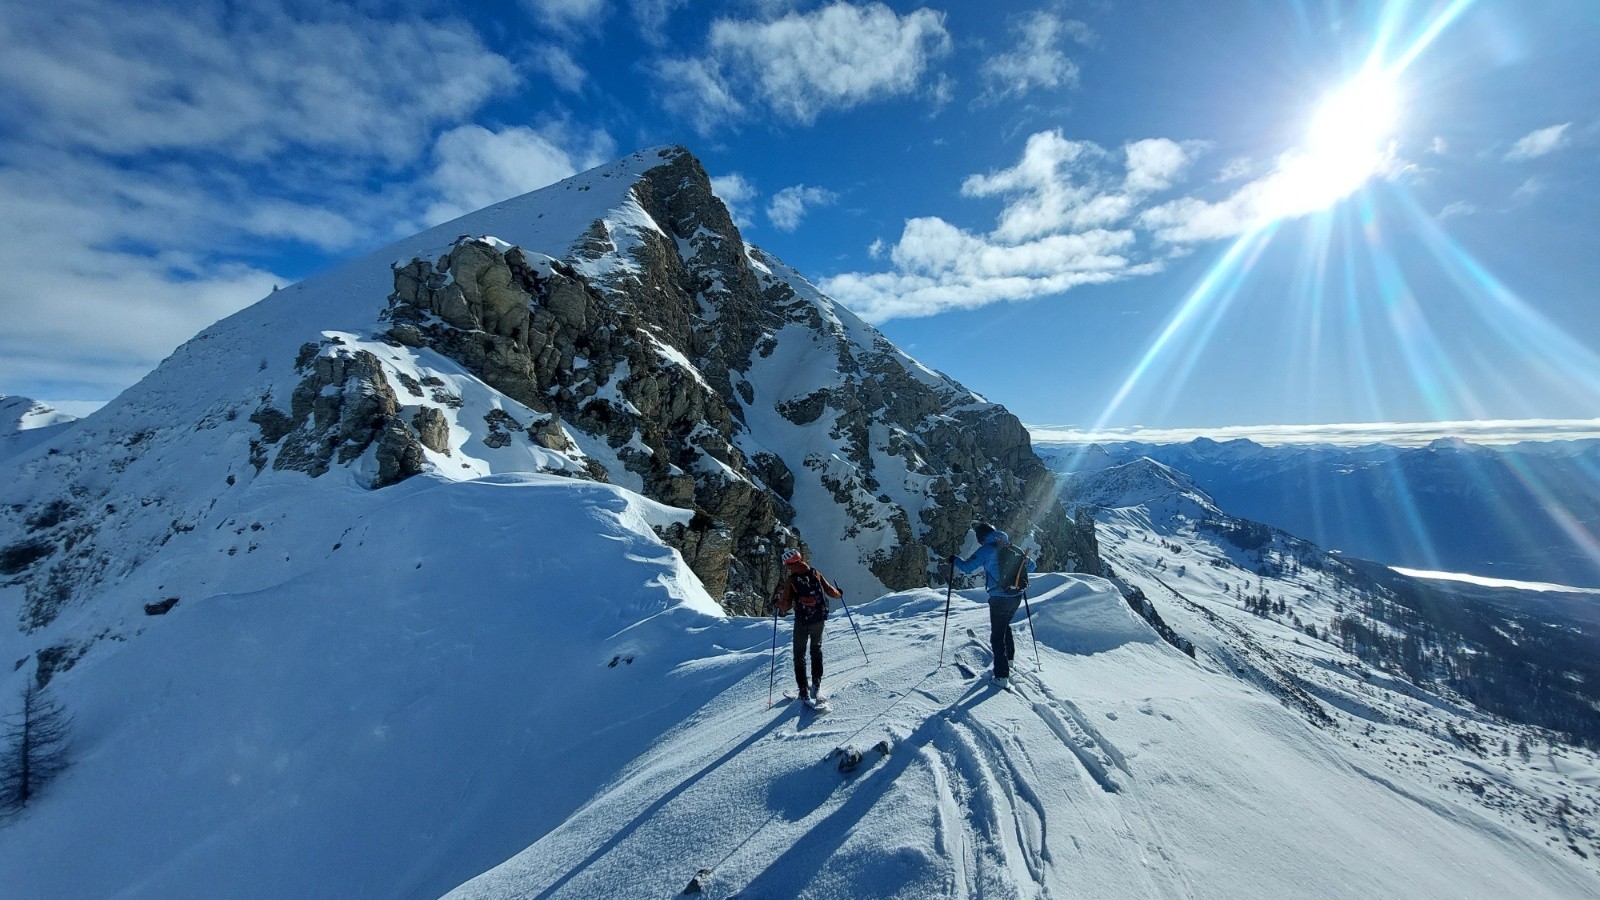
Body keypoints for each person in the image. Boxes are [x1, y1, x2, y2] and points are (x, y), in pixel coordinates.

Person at [951, 521, 1036, 687]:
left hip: (999, 597)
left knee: (997, 636)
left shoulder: (987, 549)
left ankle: (1001, 676)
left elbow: (968, 567)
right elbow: (1032, 566)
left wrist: (955, 560)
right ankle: (1009, 660)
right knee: (1005, 626)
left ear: (982, 537)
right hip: (1016, 595)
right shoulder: (1012, 547)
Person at [773, 547, 843, 705]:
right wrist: (839, 593)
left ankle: (803, 690)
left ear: (788, 564)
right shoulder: (815, 573)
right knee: (816, 650)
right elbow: (831, 592)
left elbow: (785, 605)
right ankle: (817, 685)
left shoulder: (792, 580)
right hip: (818, 619)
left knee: (799, 655)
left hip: (802, 622)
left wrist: (777, 603)